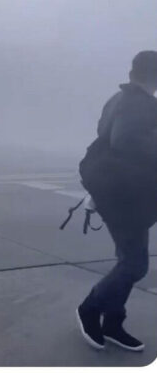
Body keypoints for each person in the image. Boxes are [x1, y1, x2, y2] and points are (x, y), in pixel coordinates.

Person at [76, 51, 157, 352]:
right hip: (125, 195)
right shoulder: (140, 103)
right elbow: (124, 140)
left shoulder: (119, 98)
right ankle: (89, 308)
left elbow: (109, 136)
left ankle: (112, 321)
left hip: (120, 192)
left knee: (129, 259)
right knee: (135, 264)